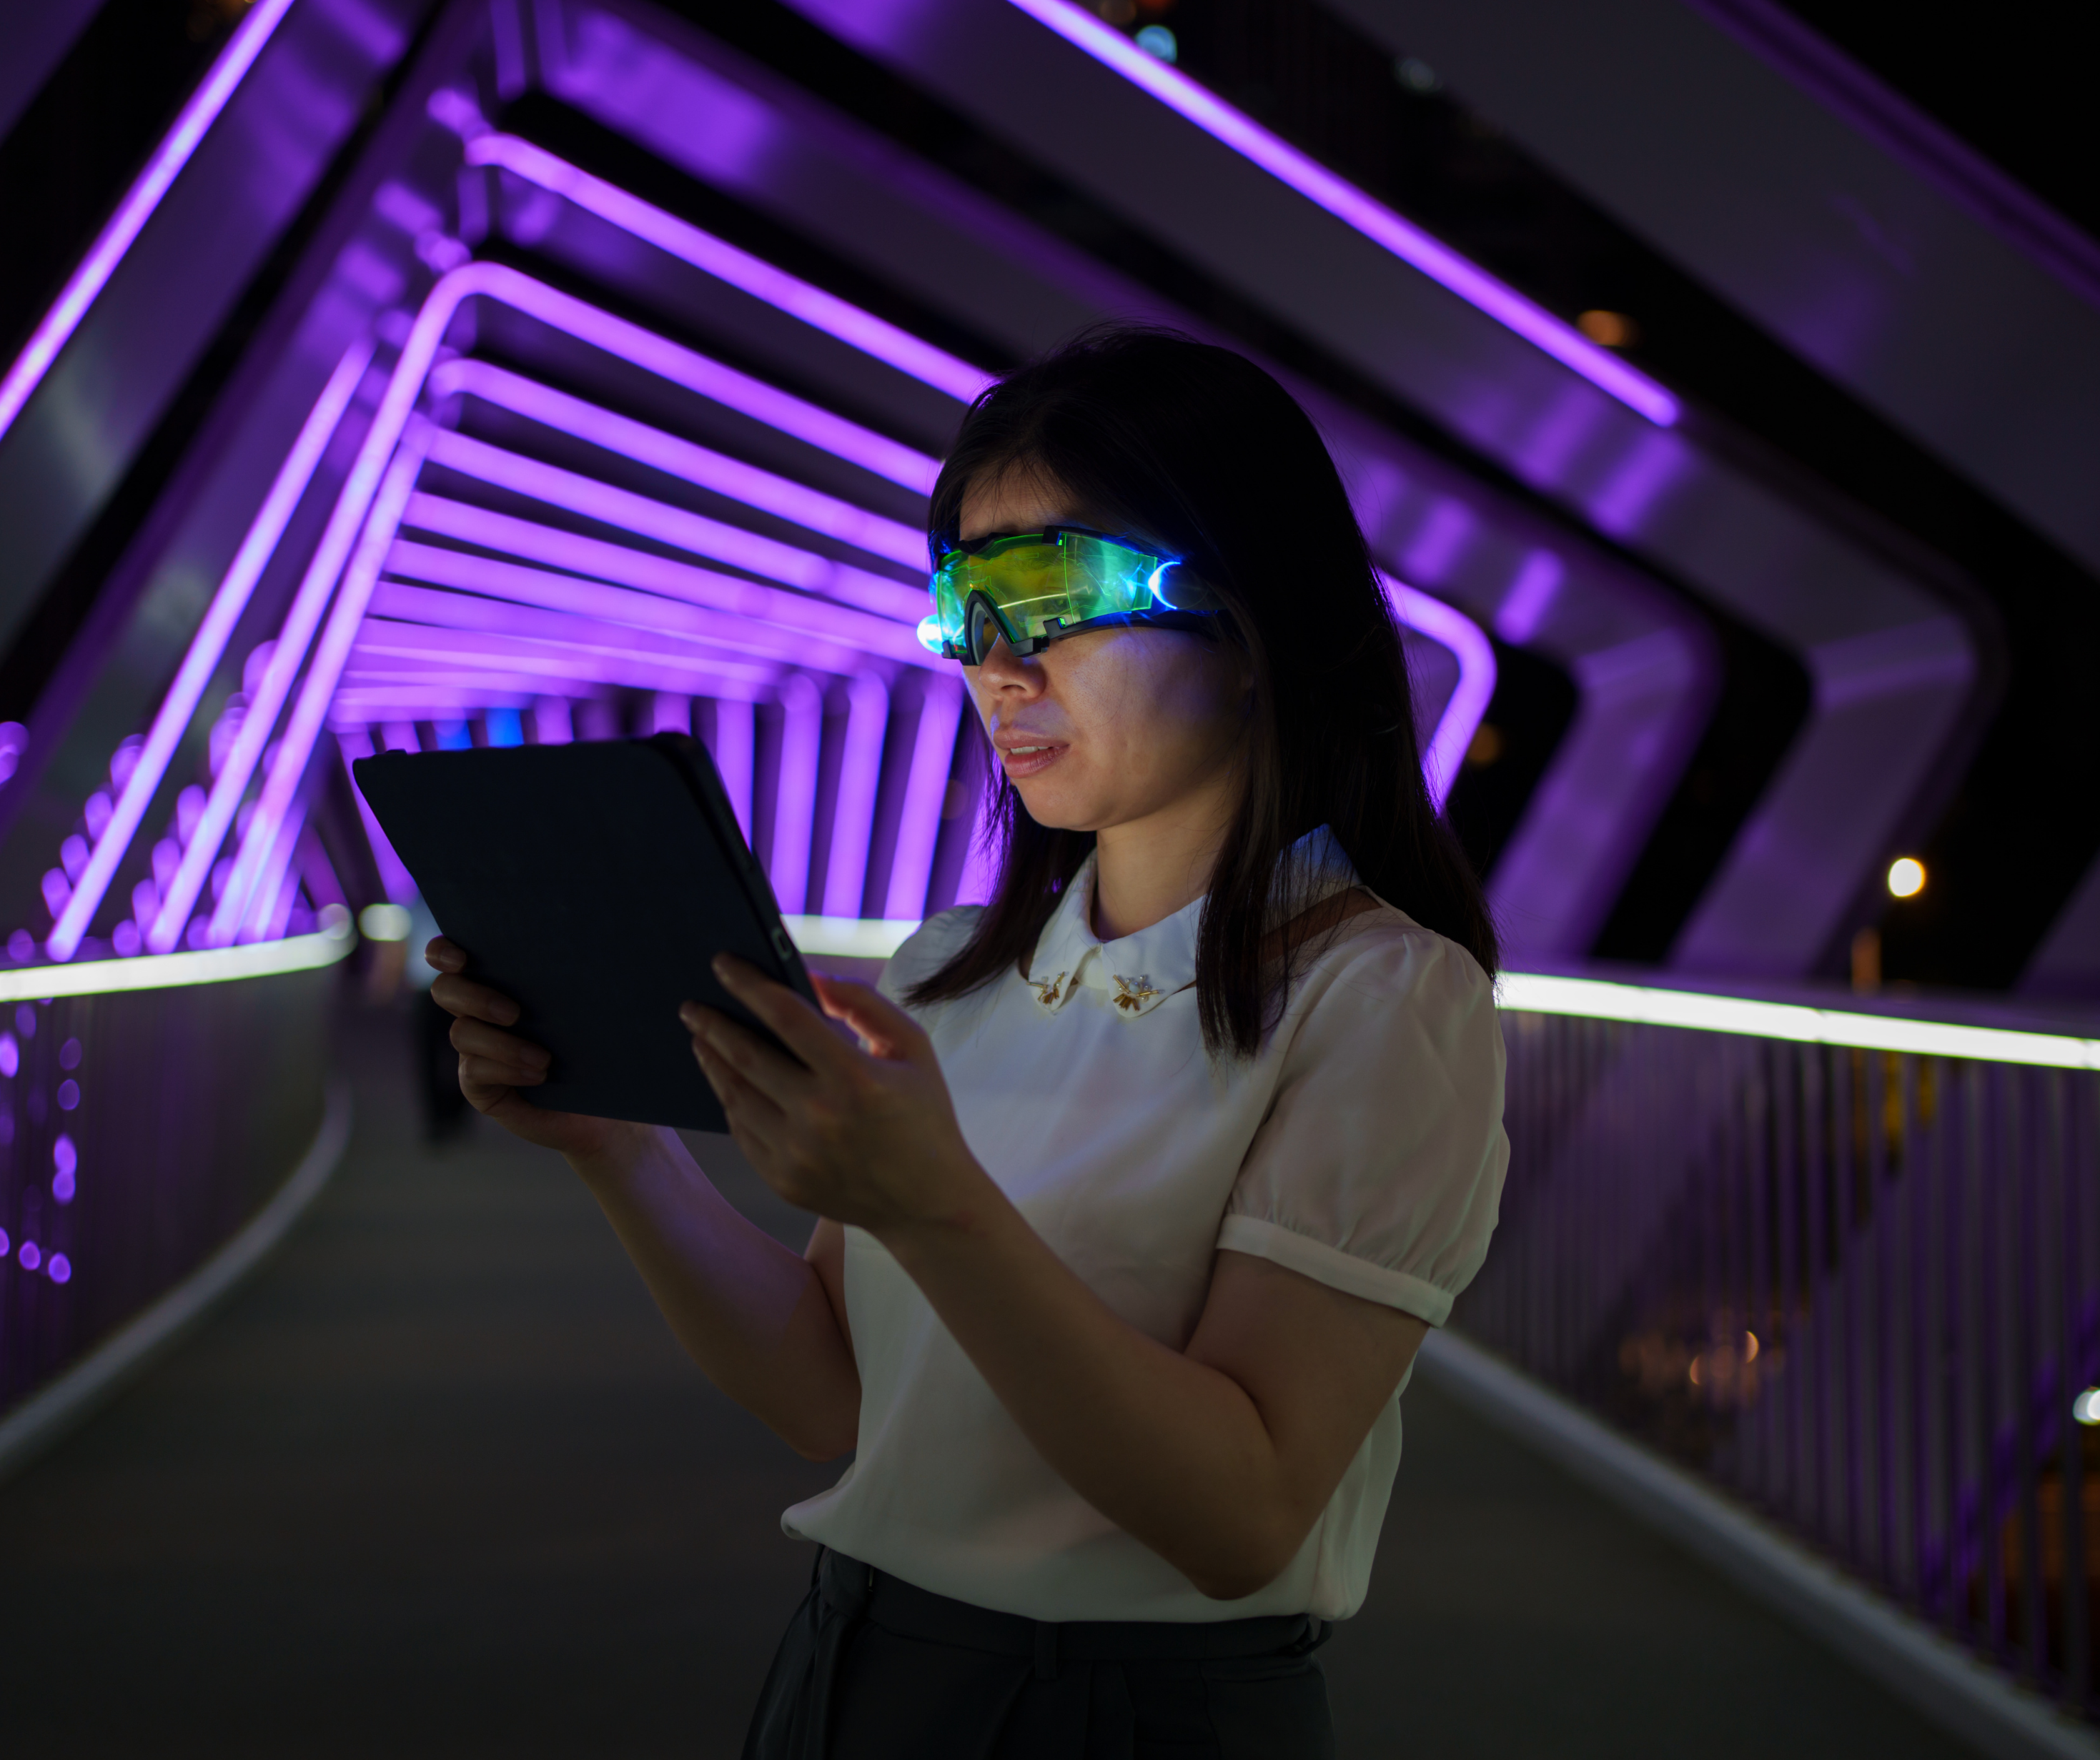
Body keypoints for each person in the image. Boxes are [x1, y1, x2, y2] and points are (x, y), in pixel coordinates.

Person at [427, 327, 1507, 1758]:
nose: (995, 664)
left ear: (1253, 620)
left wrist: (932, 1203)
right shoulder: (950, 970)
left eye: (1047, 591)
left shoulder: (1379, 999)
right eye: (961, 601)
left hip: (1132, 1715)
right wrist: (618, 1153)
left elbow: (1239, 1514)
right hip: (846, 1664)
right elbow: (831, 1394)